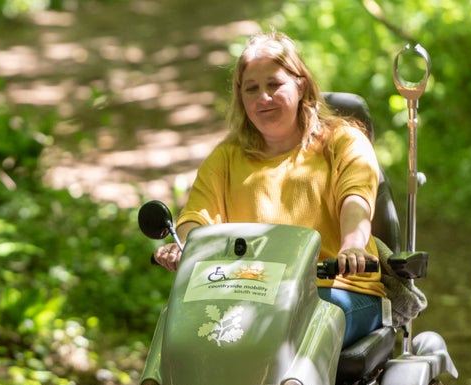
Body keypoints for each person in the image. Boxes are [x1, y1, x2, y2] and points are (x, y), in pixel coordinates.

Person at [152, 31, 385, 348]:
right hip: (251, 293)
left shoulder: (342, 140)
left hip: (338, 288)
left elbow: (356, 197)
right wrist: (185, 246)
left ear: (300, 84)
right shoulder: (227, 157)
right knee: (181, 333)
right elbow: (198, 216)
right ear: (241, 98)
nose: (264, 97)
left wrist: (353, 246)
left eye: (274, 84)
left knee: (277, 332)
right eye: (252, 89)